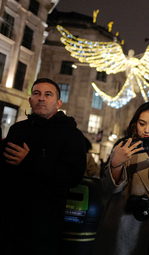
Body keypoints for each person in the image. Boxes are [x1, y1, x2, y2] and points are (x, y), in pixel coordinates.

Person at [0, 78, 87, 254]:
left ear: (58, 103)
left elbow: (73, 175)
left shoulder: (72, 135)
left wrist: (30, 160)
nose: (41, 98)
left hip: (43, 226)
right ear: (30, 100)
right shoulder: (18, 129)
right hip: (9, 222)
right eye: (36, 93)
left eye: (48, 95)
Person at [92, 102, 149, 255]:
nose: (146, 130)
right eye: (142, 123)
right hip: (121, 223)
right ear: (135, 123)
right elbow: (108, 188)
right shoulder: (124, 146)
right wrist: (116, 163)